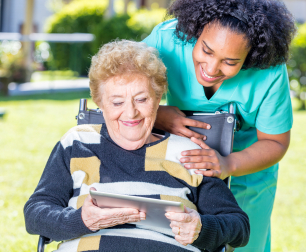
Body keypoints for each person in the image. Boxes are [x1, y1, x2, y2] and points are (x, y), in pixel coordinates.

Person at [24, 40, 250, 252]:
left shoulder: (190, 153)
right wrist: (81, 220)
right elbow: (35, 214)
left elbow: (238, 226)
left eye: (141, 99)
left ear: (158, 98)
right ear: (99, 102)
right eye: (117, 102)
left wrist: (201, 228)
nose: (130, 112)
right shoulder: (78, 142)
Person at [143, 0, 296, 251]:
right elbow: (118, 90)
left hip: (247, 170)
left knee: (244, 242)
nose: (212, 69)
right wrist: (157, 113)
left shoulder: (269, 70)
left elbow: (275, 142)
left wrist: (228, 164)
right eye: (206, 50)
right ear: (195, 30)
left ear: (252, 57)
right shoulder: (166, 40)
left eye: (230, 61)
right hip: (180, 166)